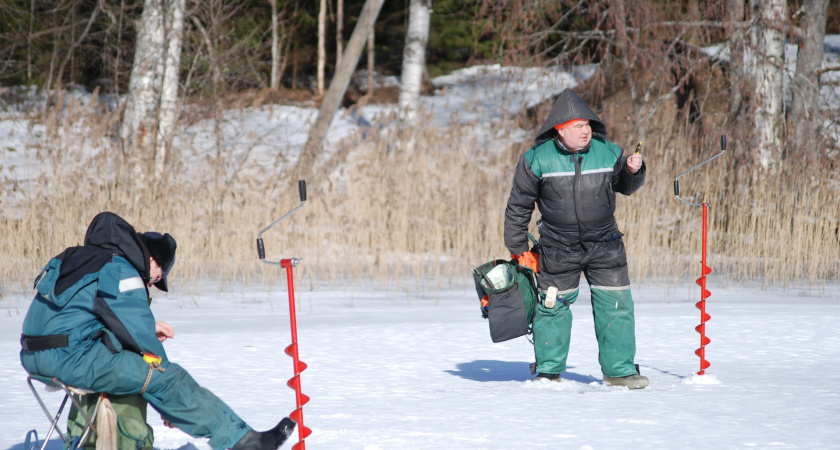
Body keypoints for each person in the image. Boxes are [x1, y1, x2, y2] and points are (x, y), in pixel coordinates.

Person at [19, 211, 295, 449]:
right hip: (70, 359)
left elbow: (84, 316)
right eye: (158, 277)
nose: (151, 284)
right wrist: (166, 394)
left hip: (36, 355)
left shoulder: (86, 258)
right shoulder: (122, 270)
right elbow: (144, 344)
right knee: (166, 375)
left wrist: (148, 329)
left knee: (140, 369)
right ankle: (242, 441)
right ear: (152, 260)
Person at [504, 88, 649, 389]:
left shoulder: (608, 151)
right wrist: (518, 248)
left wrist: (633, 171)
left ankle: (621, 371)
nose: (586, 131)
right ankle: (548, 371)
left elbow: (625, 186)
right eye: (578, 126)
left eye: (588, 125)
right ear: (560, 129)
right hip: (558, 246)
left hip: (606, 244)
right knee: (552, 307)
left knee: (616, 305)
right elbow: (519, 205)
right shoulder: (535, 159)